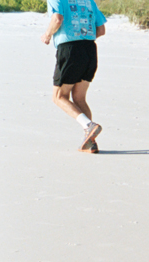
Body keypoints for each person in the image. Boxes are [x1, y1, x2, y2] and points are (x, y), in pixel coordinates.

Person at [42, 0, 106, 153]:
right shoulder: (89, 1)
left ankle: (89, 125)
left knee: (59, 96)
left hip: (70, 49)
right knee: (79, 98)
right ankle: (90, 143)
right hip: (90, 49)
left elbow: (57, 19)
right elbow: (101, 30)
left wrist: (47, 35)